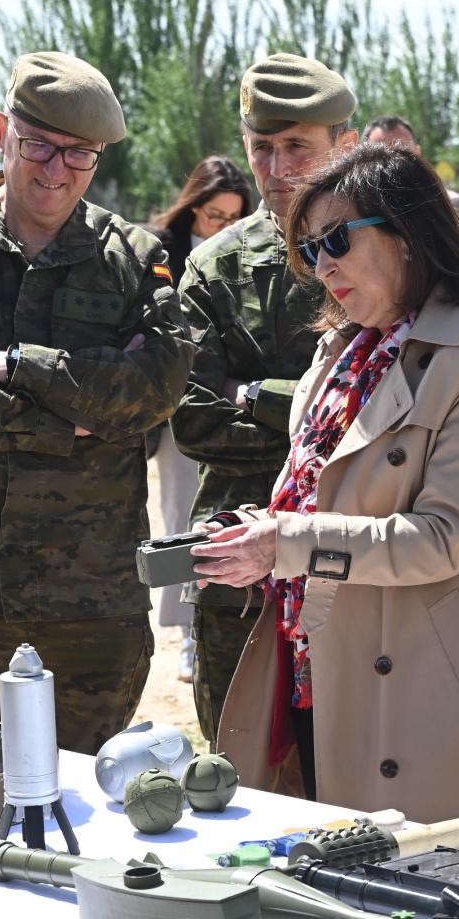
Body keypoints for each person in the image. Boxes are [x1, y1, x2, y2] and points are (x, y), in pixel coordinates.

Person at [196, 142, 459, 823]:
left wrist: (285, 542)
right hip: (312, 671)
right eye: (308, 250)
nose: (321, 267)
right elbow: (315, 496)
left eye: (334, 240)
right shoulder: (336, 350)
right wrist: (251, 534)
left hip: (425, 689)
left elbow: (443, 539)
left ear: (408, 234)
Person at [0, 52, 193, 754]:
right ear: (1, 132)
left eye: (78, 155)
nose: (55, 171)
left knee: (86, 804)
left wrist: (10, 363)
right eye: (38, 146)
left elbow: (156, 390)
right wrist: (80, 417)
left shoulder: (135, 258)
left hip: (91, 604)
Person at [171, 53, 356, 746]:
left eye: (297, 149)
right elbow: (190, 416)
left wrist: (250, 394)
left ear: (345, 145)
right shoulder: (215, 266)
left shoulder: (395, 256)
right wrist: (330, 414)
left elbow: (404, 416)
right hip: (237, 560)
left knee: (356, 768)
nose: (278, 171)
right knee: (237, 761)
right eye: (262, 149)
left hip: (359, 554)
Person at [146, 155, 251, 682]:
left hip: (230, 410)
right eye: (214, 215)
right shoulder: (159, 253)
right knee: (182, 519)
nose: (224, 228)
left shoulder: (248, 255)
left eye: (234, 217)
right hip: (175, 413)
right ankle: (189, 636)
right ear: (192, 210)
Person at [362, 115, 459, 230]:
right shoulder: (353, 213)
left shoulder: (452, 206)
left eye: (402, 152)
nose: (392, 161)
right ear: (361, 158)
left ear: (418, 153)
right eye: (380, 154)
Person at [150, 156, 251, 279]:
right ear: (195, 206)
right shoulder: (163, 250)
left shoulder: (250, 253)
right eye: (216, 215)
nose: (227, 227)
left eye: (234, 216)